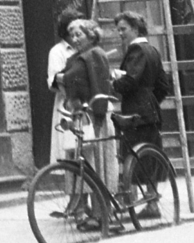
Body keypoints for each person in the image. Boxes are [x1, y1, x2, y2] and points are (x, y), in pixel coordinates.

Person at [111, 11, 166, 214]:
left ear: (135, 29)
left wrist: (114, 83)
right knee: (149, 155)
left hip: (136, 113)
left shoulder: (137, 50)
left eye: (123, 29)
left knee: (133, 155)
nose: (120, 33)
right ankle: (151, 203)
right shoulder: (152, 50)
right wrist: (151, 101)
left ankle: (138, 202)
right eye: (118, 30)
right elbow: (163, 85)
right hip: (150, 112)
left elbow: (131, 80)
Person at [60, 18, 119, 195]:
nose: (75, 39)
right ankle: (83, 207)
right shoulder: (74, 58)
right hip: (79, 115)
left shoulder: (95, 54)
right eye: (72, 36)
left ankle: (100, 212)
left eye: (79, 35)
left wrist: (99, 116)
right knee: (80, 160)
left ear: (91, 35)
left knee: (96, 162)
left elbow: (101, 85)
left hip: (94, 116)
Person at [45, 11, 77, 164]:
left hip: (82, 104)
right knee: (68, 150)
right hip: (66, 104)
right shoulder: (57, 51)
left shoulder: (82, 48)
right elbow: (53, 82)